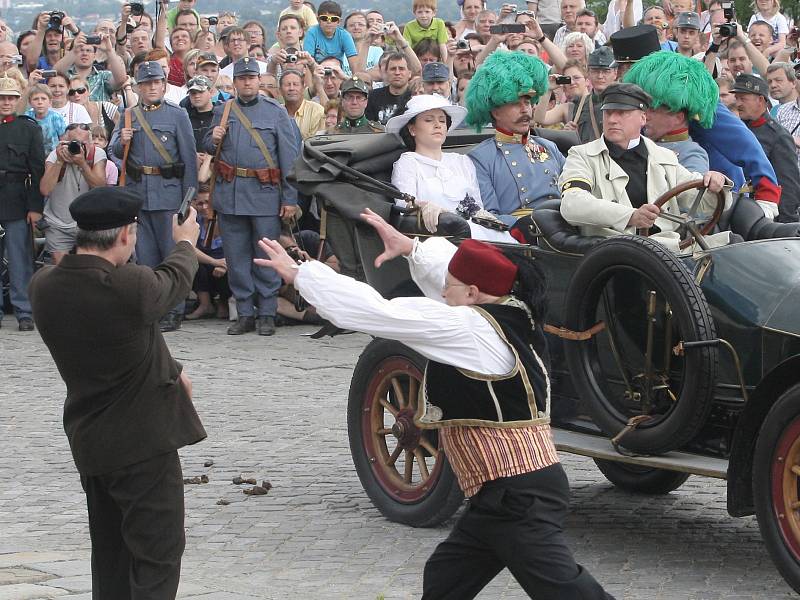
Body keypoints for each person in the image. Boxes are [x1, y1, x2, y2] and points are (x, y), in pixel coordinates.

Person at [254, 210, 615, 599]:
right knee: (445, 578)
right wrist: (412, 248)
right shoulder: (513, 308)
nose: (443, 294)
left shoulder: (468, 328)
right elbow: (458, 270)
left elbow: (381, 313)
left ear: (473, 294)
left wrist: (304, 276)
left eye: (450, 289)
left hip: (519, 497)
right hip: (500, 494)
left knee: (567, 592)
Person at [28, 187, 206, 599]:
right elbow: (173, 279)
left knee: (111, 556)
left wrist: (172, 372)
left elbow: (127, 336)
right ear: (126, 234)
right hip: (142, 443)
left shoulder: (44, 286)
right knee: (157, 555)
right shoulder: (130, 285)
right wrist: (184, 242)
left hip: (92, 440)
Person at [559, 83, 731, 252]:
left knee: (731, 244)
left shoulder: (664, 157)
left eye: (622, 113)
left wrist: (716, 185)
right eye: (608, 112)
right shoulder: (583, 155)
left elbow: (704, 203)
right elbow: (572, 204)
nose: (612, 120)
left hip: (671, 250)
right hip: (617, 253)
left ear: (643, 118)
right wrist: (631, 216)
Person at [203, 57, 302, 336]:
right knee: (236, 257)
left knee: (266, 255)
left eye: (251, 77)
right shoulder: (223, 110)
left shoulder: (276, 112)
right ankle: (245, 312)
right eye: (241, 78)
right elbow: (207, 146)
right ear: (234, 82)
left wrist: (289, 198)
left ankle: (268, 312)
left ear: (259, 80)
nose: (247, 82)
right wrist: (214, 137)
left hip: (264, 194)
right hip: (231, 193)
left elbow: (289, 159)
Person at [110, 61, 199, 332]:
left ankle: (175, 310)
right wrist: (120, 141)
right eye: (147, 83)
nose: (152, 87)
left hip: (169, 193)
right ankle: (154, 309)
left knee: (170, 255)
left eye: (157, 82)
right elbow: (114, 153)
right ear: (138, 87)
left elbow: (189, 159)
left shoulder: (177, 115)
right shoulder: (129, 115)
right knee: (145, 257)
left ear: (163, 84)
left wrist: (188, 199)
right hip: (139, 194)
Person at [388, 94, 514, 242]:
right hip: (436, 239)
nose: (438, 125)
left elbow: (478, 207)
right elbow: (404, 204)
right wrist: (423, 206)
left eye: (442, 120)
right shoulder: (408, 162)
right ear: (412, 129)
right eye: (429, 120)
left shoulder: (462, 161)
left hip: (478, 234)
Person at [466, 52, 565, 225]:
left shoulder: (549, 147)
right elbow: (490, 217)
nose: (525, 110)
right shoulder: (481, 158)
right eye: (514, 103)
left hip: (564, 224)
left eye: (527, 102)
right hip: (521, 236)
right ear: (495, 111)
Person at [0, 75, 44, 331]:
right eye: (2, 98)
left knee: (19, 258)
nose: (6, 102)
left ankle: (24, 311)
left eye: (11, 98)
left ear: (19, 101)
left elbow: (37, 169)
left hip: (17, 198)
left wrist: (35, 207)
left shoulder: (28, 129)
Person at [624, 51, 712, 174]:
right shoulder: (638, 144)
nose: (645, 116)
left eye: (653, 110)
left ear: (678, 118)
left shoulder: (691, 154)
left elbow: (694, 191)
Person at [733, 73, 800, 222]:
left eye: (743, 98)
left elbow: (788, 189)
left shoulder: (778, 136)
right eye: (736, 98)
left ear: (760, 100)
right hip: (738, 212)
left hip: (764, 218)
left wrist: (782, 229)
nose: (738, 104)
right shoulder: (738, 130)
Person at [39, 123, 108, 264]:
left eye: (83, 143)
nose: (78, 147)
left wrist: (83, 164)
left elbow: (100, 187)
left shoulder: (97, 154)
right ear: (64, 142)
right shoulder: (55, 155)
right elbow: (45, 189)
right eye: (73, 143)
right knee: (62, 269)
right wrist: (59, 161)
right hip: (58, 223)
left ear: (90, 142)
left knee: (89, 266)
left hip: (88, 224)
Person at [365, 51, 412, 124]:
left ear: (409, 73)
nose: (397, 73)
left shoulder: (415, 96)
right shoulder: (373, 96)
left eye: (401, 69)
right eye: (393, 69)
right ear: (386, 72)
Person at [280, 68, 327, 139]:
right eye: (287, 85)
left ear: (303, 88)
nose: (291, 88)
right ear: (280, 90)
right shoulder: (276, 112)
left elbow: (317, 141)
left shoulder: (316, 111)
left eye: (295, 84)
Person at [25, 83, 66, 155]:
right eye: (35, 99)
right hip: (32, 156)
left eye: (43, 99)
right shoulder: (27, 118)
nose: (40, 102)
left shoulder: (56, 118)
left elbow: (63, 139)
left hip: (54, 156)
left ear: (50, 102)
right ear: (30, 102)